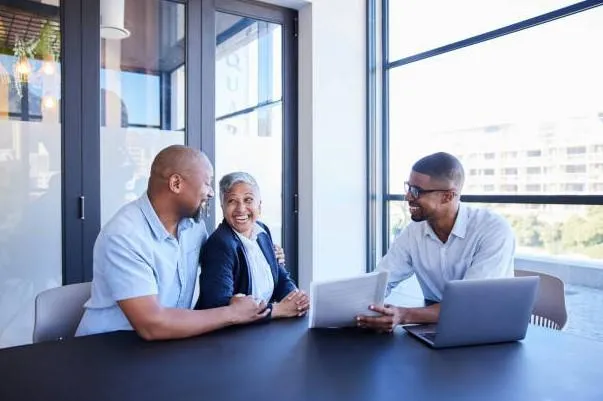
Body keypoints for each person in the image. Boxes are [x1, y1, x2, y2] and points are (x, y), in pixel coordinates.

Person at [76, 145, 270, 340]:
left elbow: (223, 254)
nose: (211, 192)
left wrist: (262, 250)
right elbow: (151, 324)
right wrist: (232, 314)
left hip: (168, 344)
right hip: (108, 348)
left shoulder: (194, 227)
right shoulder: (124, 235)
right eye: (206, 183)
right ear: (176, 183)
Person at [357, 152, 515, 333]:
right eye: (408, 187)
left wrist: (403, 315)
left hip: (489, 329)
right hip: (438, 327)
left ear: (447, 196)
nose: (408, 197)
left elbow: (470, 303)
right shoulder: (413, 232)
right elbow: (381, 281)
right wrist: (331, 303)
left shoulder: (492, 229)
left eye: (416, 191)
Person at [195, 172, 309, 319]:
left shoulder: (262, 231)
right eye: (232, 201)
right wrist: (278, 309)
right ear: (222, 206)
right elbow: (219, 306)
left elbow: (280, 278)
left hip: (265, 328)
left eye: (248, 200)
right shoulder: (220, 245)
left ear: (259, 205)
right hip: (234, 335)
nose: (241, 209)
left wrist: (297, 300)